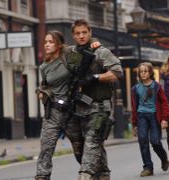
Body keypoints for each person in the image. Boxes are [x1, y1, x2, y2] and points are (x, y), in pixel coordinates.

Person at [35, 30, 100, 180]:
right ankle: (42, 176)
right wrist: (40, 91)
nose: (47, 45)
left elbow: (85, 48)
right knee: (46, 147)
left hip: (71, 111)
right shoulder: (43, 66)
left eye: (51, 42)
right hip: (52, 112)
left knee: (79, 149)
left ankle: (93, 173)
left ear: (58, 44)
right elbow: (44, 85)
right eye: (45, 42)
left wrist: (95, 43)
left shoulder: (69, 56)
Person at [65, 19, 123, 180]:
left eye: (84, 32)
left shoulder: (101, 52)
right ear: (73, 36)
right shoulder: (69, 53)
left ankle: (85, 175)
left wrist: (95, 77)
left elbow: (117, 72)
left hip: (99, 107)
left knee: (92, 142)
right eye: (78, 33)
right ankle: (103, 175)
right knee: (82, 148)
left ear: (90, 32)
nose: (81, 36)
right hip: (78, 107)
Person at [131, 62, 169, 177]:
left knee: (155, 141)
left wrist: (164, 119)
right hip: (141, 116)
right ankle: (148, 167)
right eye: (141, 71)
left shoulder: (157, 86)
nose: (143, 73)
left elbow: (164, 103)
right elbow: (134, 107)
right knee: (143, 141)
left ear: (150, 73)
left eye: (145, 71)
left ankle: (164, 158)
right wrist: (134, 124)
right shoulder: (135, 88)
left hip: (154, 116)